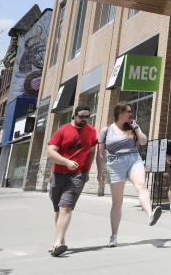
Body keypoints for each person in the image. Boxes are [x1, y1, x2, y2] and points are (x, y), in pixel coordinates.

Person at [97, 102, 161, 247]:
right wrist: (100, 171)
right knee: (117, 203)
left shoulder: (131, 128)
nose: (131, 114)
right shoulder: (106, 130)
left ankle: (150, 215)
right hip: (115, 165)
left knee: (141, 186)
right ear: (120, 113)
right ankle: (113, 236)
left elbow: (144, 141)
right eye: (129, 111)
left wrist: (136, 127)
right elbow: (100, 154)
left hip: (134, 160)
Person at [45, 104, 98, 256]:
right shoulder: (62, 131)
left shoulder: (91, 131)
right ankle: (60, 241)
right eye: (81, 116)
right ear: (74, 115)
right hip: (58, 174)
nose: (85, 119)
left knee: (66, 207)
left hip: (77, 175)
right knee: (58, 209)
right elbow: (50, 152)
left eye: (87, 116)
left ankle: (57, 243)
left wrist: (87, 171)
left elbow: (92, 152)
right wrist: (66, 162)